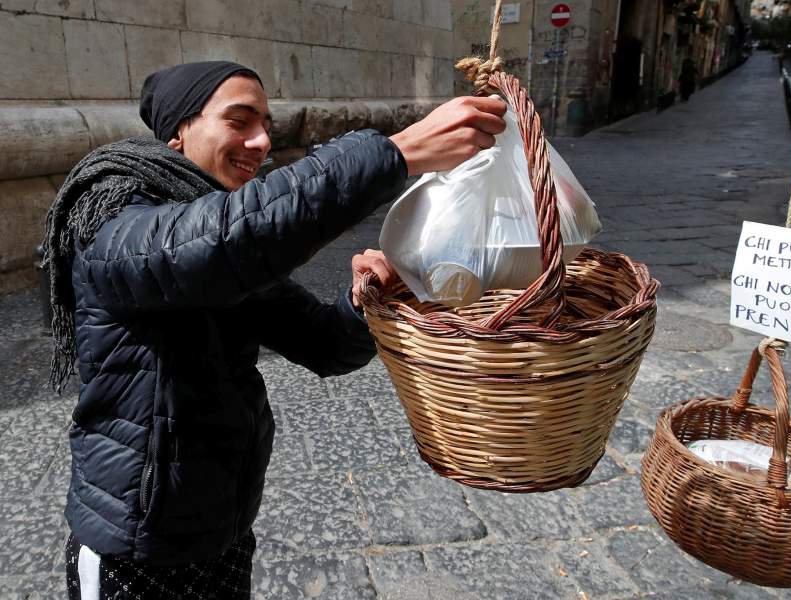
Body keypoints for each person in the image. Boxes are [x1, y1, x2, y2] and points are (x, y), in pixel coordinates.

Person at [44, 61, 507, 599]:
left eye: (266, 123)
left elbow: (325, 343)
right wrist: (394, 153)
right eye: (240, 121)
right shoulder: (114, 216)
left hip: (223, 529)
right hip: (135, 546)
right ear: (178, 133)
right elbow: (219, 243)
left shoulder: (220, 235)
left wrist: (362, 301)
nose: (262, 141)